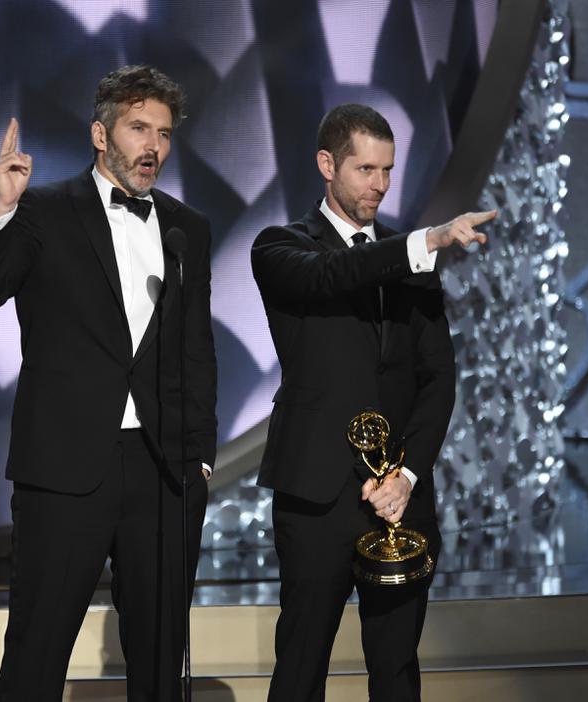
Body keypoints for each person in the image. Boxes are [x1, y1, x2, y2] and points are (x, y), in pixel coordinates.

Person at [0, 64, 217, 702]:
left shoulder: (189, 228)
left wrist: (201, 456)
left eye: (163, 132)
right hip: (65, 468)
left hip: (162, 471)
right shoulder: (43, 211)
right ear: (102, 136)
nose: (152, 145)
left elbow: (196, 350)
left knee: (159, 656)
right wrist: (3, 210)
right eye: (137, 128)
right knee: (38, 649)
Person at [251, 103, 492, 701]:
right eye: (365, 169)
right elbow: (333, 275)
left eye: (388, 170)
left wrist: (407, 474)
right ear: (326, 165)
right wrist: (425, 241)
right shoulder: (282, 248)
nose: (380, 185)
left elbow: (439, 378)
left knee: (396, 667)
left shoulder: (410, 255)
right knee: (302, 664)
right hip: (318, 496)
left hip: (401, 498)